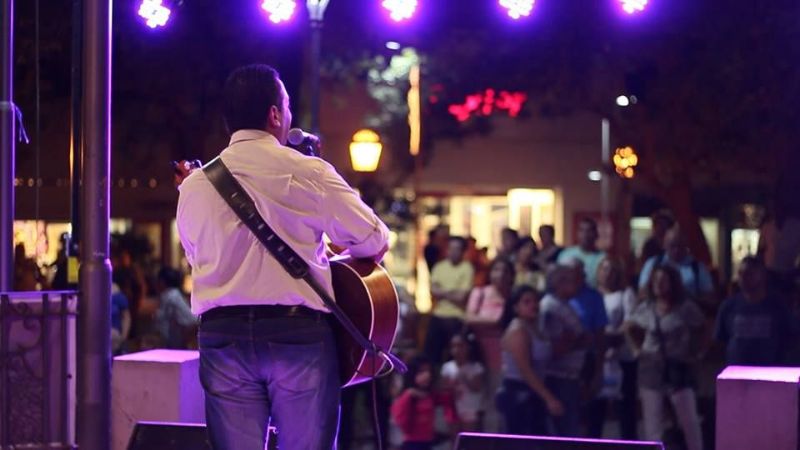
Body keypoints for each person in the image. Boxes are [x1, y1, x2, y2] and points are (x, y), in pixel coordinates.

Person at [176, 64, 389, 450]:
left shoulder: (194, 186)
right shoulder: (307, 171)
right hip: (297, 334)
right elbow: (373, 238)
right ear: (275, 114)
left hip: (223, 335)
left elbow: (195, 255)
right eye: (286, 106)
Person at [625, 266, 705, 450]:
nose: (659, 285)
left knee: (689, 421)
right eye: (655, 281)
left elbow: (702, 328)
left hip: (678, 366)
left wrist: (697, 352)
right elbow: (628, 327)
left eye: (663, 280)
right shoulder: (646, 308)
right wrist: (637, 349)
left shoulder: (685, 308)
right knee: (654, 423)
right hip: (652, 367)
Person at [497, 285, 563, 435]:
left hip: (533, 393)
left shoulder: (534, 328)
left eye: (535, 301)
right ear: (516, 307)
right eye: (527, 302)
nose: (533, 305)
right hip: (519, 394)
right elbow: (526, 371)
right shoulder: (518, 331)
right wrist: (549, 398)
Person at [588, 257, 638, 440]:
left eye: (612, 270)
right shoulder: (592, 295)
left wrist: (614, 336)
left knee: (625, 408)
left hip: (621, 356)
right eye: (604, 269)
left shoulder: (626, 293)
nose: (607, 273)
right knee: (595, 409)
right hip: (598, 357)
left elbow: (630, 321)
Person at [715, 256, 794, 366]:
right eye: (740, 274)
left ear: (762, 275)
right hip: (736, 372)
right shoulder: (729, 306)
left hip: (769, 372)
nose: (743, 278)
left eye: (749, 273)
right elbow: (720, 341)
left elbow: (790, 339)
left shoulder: (778, 307)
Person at [539, 265, 586, 437]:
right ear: (559, 282)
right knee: (564, 432)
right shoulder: (549, 307)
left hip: (570, 377)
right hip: (558, 378)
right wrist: (577, 340)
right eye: (571, 279)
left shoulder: (565, 304)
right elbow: (552, 347)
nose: (578, 283)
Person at [425, 236, 475, 366]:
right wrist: (452, 292)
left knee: (453, 356)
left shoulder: (467, 268)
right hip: (437, 315)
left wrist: (442, 292)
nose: (453, 252)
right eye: (451, 248)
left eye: (457, 249)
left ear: (463, 251)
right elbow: (433, 290)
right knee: (430, 355)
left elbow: (462, 297)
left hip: (456, 317)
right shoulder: (439, 267)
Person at [638, 226, 715, 308]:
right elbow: (642, 293)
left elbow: (710, 297)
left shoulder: (697, 268)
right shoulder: (653, 264)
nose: (676, 250)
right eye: (672, 246)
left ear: (686, 245)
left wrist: (687, 297)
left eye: (680, 246)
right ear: (664, 245)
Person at [391, 356, 457, 450]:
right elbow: (401, 420)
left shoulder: (431, 394)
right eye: (422, 371)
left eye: (428, 371)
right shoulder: (408, 395)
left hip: (427, 442)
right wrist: (409, 395)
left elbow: (448, 402)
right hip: (412, 443)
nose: (427, 375)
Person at [440, 334, 486, 432]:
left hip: (470, 408)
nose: (457, 349)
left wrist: (463, 377)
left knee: (469, 439)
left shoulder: (476, 367)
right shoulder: (447, 367)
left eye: (460, 346)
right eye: (454, 346)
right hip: (453, 408)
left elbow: (477, 387)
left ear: (467, 347)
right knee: (454, 440)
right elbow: (444, 387)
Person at [153, 267, 197, 349]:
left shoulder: (172, 297)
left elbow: (192, 320)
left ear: (162, 282)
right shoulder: (166, 296)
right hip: (167, 348)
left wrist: (184, 341)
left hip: (175, 349)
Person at [558, 218, 606, 289]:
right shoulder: (565, 254)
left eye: (589, 231)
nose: (585, 234)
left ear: (596, 234)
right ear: (577, 233)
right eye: (581, 230)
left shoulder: (604, 259)